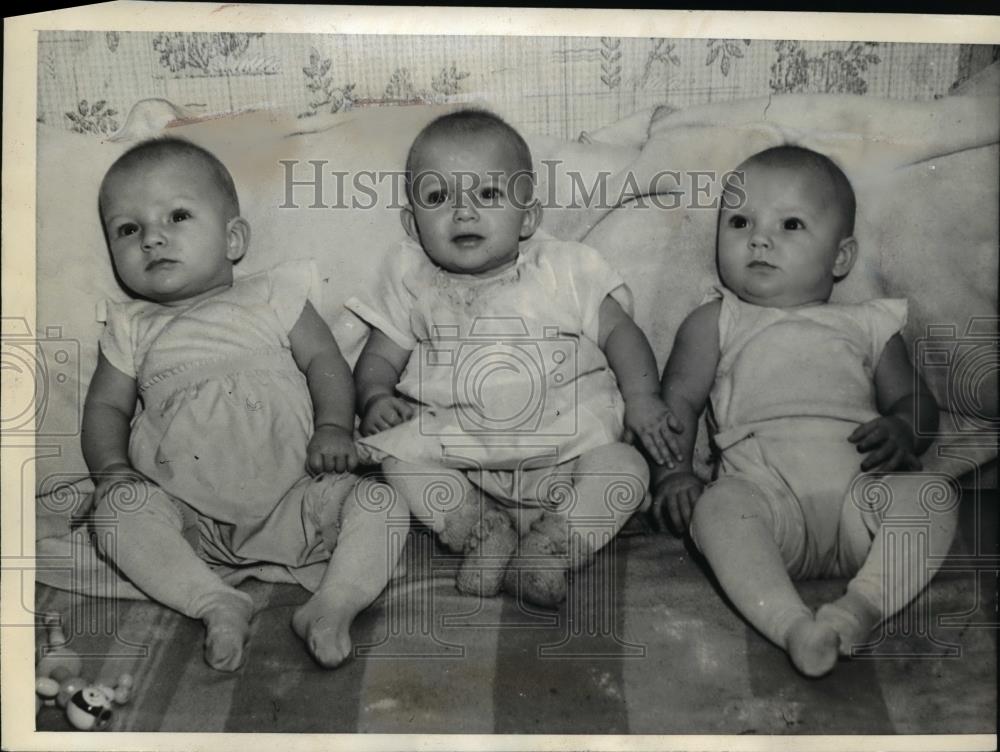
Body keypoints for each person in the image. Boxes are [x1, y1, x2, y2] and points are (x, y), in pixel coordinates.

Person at [82, 137, 404, 671]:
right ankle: (213, 600)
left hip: (298, 495)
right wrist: (111, 469)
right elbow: (105, 410)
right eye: (128, 229)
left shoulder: (273, 294)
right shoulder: (132, 327)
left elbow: (325, 362)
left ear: (233, 238)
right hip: (189, 518)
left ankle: (334, 602)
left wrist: (332, 427)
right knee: (116, 515)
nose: (152, 238)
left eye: (177, 216)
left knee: (382, 504)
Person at [349, 109, 681, 607]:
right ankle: (482, 534)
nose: (463, 212)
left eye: (487, 195)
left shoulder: (562, 269)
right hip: (464, 464)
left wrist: (642, 398)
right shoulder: (413, 281)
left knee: (625, 469)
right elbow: (379, 355)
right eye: (439, 197)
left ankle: (551, 548)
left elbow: (621, 334)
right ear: (412, 225)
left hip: (566, 453)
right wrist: (374, 396)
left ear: (527, 216)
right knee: (398, 461)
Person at [652, 145, 958, 676]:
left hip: (863, 498)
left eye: (791, 224)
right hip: (769, 501)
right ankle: (792, 624)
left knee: (933, 494)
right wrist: (673, 473)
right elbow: (677, 401)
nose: (759, 238)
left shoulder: (868, 323)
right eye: (740, 221)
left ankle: (861, 607)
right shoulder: (716, 320)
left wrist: (905, 430)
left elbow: (915, 401)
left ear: (841, 258)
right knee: (719, 507)